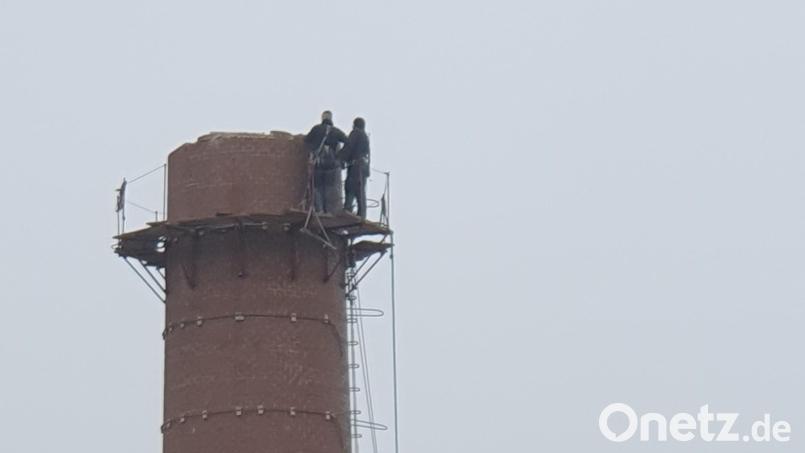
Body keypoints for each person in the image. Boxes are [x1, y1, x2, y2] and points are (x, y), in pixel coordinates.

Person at [304, 111, 348, 213]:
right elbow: (348, 142)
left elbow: (306, 141)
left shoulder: (316, 129)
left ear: (322, 118)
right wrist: (339, 156)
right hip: (331, 165)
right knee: (328, 188)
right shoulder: (336, 131)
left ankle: (320, 210)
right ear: (331, 119)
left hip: (318, 163)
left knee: (317, 187)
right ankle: (328, 210)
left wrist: (313, 151)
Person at [341, 117, 370, 219]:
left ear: (355, 125)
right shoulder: (365, 137)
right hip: (364, 168)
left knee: (350, 187)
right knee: (360, 190)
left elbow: (349, 147)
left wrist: (340, 159)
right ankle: (362, 214)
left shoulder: (355, 133)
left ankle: (347, 210)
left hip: (355, 167)